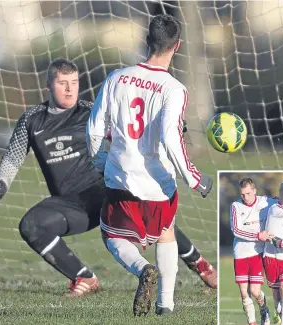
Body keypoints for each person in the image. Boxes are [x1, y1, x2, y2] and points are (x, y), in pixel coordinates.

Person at [0, 58, 216, 298]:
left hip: (106, 190)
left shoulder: (89, 111)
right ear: (48, 84)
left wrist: (167, 125)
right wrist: (2, 183)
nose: (70, 89)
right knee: (31, 225)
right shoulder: (32, 119)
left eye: (74, 82)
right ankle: (84, 277)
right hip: (71, 206)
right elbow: (13, 155)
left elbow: (129, 128)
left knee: (153, 214)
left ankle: (201, 265)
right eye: (63, 83)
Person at [87, 14, 213, 316]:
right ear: (177, 46)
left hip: (121, 180)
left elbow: (93, 130)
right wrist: (195, 179)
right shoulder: (174, 88)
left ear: (147, 42)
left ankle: (143, 269)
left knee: (113, 235)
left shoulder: (116, 78)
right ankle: (166, 304)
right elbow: (172, 138)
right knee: (167, 230)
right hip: (159, 186)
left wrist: (101, 163)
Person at [230, 177, 277, 325]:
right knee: (244, 293)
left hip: (257, 253)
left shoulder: (267, 202)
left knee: (255, 292)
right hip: (240, 254)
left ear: (254, 191)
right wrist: (258, 235)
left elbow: (282, 202)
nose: (245, 197)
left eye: (248, 193)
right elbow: (236, 230)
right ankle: (252, 322)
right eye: (242, 194)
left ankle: (264, 311)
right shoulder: (235, 206)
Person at [264, 182, 283, 325]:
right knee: (276, 293)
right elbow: (273, 240)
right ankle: (278, 312)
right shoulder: (275, 209)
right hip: (271, 256)